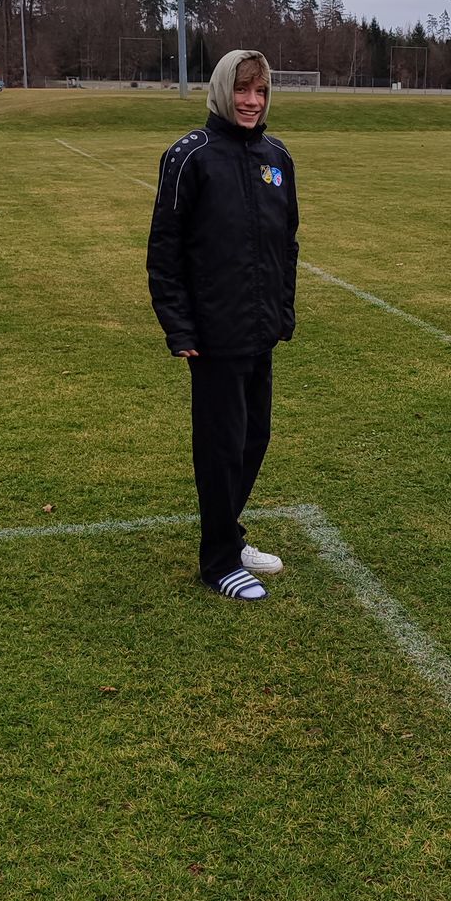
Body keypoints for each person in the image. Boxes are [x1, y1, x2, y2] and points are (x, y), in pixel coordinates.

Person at [147, 50, 299, 602]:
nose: (252, 102)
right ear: (221, 90)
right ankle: (218, 562)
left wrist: (283, 311)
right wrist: (180, 327)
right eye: (242, 90)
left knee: (254, 438)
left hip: (260, 330)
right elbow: (165, 251)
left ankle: (229, 537)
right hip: (213, 334)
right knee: (221, 445)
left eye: (260, 91)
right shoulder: (190, 156)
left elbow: (287, 243)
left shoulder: (277, 157)